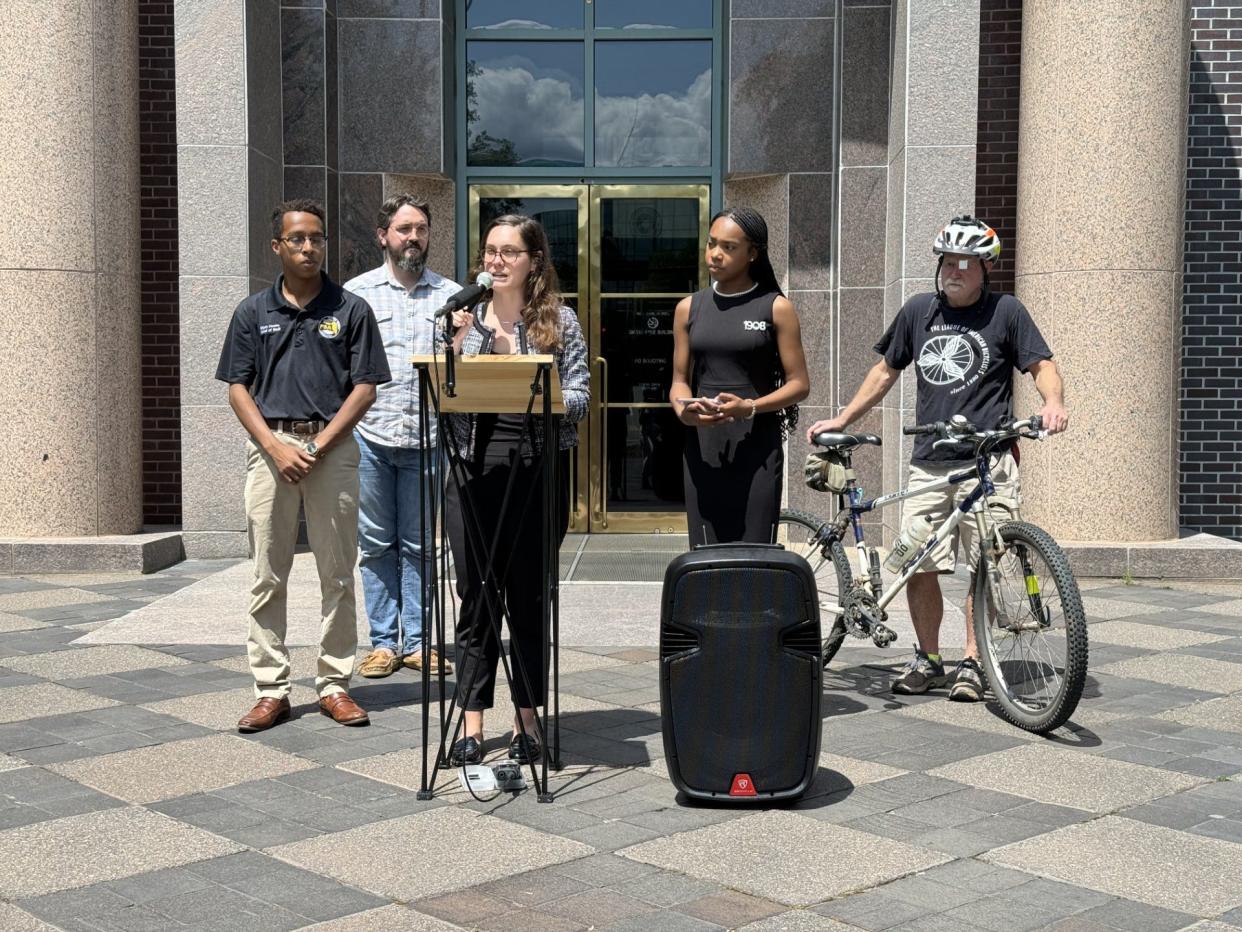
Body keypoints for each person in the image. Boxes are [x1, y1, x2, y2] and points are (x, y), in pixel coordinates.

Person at [805, 216, 1069, 701]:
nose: (954, 270)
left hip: (988, 462)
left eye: (965, 263)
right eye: (947, 261)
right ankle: (928, 658)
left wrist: (1052, 402)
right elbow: (885, 371)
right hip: (929, 462)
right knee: (919, 564)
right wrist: (842, 419)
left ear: (985, 268)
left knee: (985, 563)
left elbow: (1042, 365)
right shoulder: (918, 312)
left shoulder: (1006, 312)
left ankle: (973, 660)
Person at [215, 199, 390, 732]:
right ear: (278, 246)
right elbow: (237, 389)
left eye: (317, 238)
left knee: (337, 572)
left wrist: (315, 448)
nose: (309, 247)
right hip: (271, 449)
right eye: (298, 239)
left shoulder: (351, 309)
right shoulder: (252, 313)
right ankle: (272, 689)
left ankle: (335, 684)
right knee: (268, 574)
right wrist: (274, 446)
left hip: (331, 450)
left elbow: (364, 390)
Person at [442, 214, 590, 765]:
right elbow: (439, 394)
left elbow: (581, 396)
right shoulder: (462, 319)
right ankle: (471, 725)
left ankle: (528, 723)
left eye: (508, 252)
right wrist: (454, 350)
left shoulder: (560, 323)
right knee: (476, 597)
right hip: (472, 474)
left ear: (533, 263)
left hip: (535, 474)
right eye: (489, 251)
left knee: (527, 599)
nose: (495, 261)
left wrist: (534, 379)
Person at [345, 195, 459, 680]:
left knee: (420, 545)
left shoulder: (452, 297)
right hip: (371, 437)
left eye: (421, 229)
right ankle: (383, 642)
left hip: (428, 439)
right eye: (404, 228)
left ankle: (418, 642)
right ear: (383, 235)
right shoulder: (356, 294)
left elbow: (465, 366)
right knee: (374, 544)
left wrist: (461, 339)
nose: (414, 237)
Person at [669, 206, 810, 547]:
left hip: (756, 446)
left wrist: (747, 407)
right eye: (711, 243)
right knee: (706, 556)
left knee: (753, 554)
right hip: (702, 447)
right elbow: (679, 380)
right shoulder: (688, 308)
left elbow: (799, 385)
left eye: (729, 247)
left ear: (753, 253)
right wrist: (682, 410)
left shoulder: (775, 307)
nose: (715, 254)